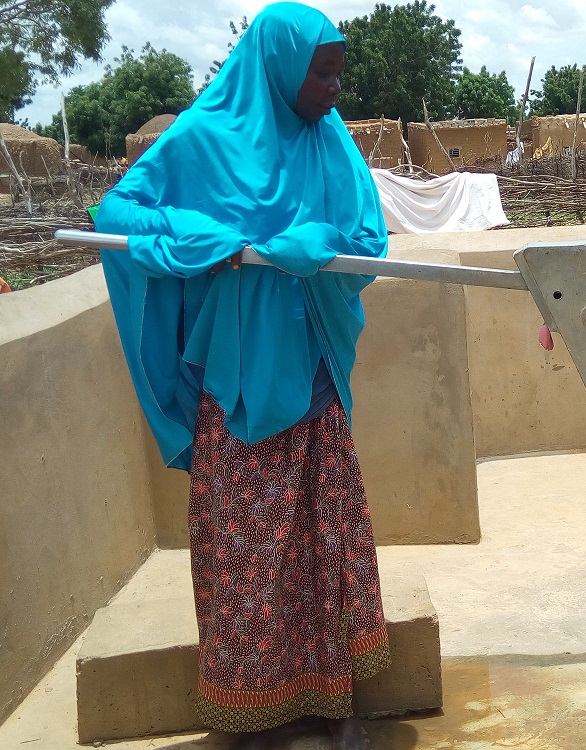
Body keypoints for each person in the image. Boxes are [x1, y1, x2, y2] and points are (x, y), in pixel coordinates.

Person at [94, 4, 390, 748]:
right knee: (245, 552)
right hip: (233, 382)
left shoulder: (331, 141)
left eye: (336, 73)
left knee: (327, 545)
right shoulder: (204, 139)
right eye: (321, 73)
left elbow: (367, 237)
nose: (332, 89)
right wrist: (198, 237)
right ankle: (254, 709)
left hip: (312, 370)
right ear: (281, 66)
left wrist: (315, 240)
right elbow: (118, 211)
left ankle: (334, 700)